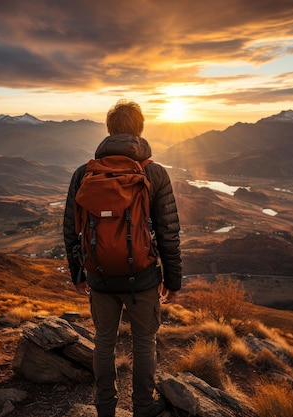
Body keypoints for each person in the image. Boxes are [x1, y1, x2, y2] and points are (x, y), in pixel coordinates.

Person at [63, 99, 182, 417]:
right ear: (140, 130)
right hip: (143, 277)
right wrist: (173, 280)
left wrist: (79, 272)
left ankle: (105, 407)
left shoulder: (84, 173)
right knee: (144, 341)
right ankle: (143, 406)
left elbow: (70, 229)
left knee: (104, 340)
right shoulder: (154, 173)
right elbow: (168, 231)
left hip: (99, 276)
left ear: (109, 130)